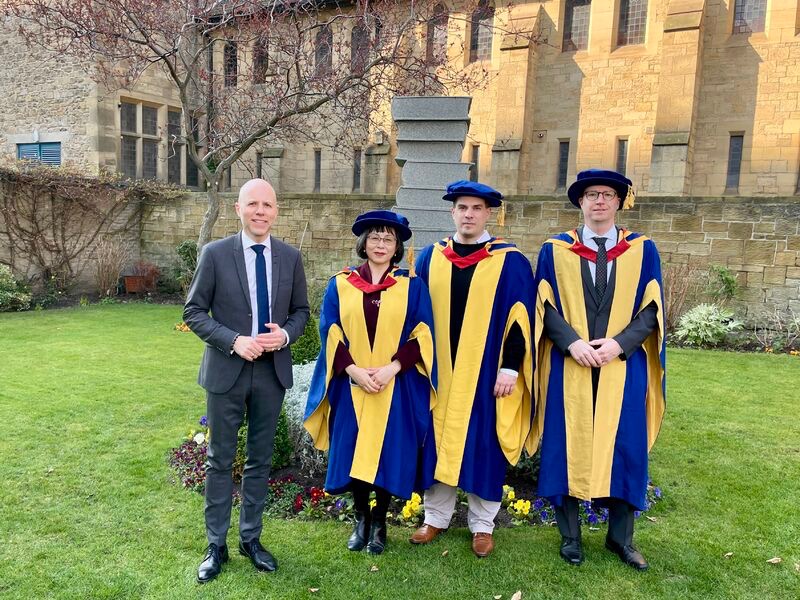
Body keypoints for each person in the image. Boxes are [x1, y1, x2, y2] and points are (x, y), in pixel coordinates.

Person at [529, 169, 666, 570]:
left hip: (623, 366)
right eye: (591, 195)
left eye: (607, 194)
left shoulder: (643, 250)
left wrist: (618, 345)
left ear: (619, 201)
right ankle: (570, 538)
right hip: (568, 363)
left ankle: (620, 539)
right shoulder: (555, 250)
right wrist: (571, 342)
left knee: (626, 448)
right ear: (581, 202)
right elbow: (544, 306)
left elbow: (652, 309)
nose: (599, 201)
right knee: (565, 443)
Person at [183, 178, 309, 583]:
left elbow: (302, 312)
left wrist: (285, 335)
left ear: (276, 210)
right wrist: (233, 341)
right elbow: (194, 312)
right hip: (226, 371)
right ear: (238, 209)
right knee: (220, 460)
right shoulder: (216, 254)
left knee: (260, 461)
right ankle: (215, 544)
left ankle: (250, 539)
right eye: (252, 204)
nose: (260, 211)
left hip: (271, 373)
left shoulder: (290, 257)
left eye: (267, 204)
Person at [411, 180, 535, 558]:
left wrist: (511, 368)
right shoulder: (430, 257)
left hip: (484, 373)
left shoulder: (509, 260)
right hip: (440, 372)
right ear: (452, 212)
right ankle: (436, 517)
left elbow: (520, 318)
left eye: (476, 208)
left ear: (488, 213)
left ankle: (482, 525)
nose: (469, 214)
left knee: (484, 445)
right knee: (436, 442)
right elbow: (413, 314)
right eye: (462, 207)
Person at [304, 210, 436, 555]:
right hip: (353, 386)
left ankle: (380, 522)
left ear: (397, 248)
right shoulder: (342, 284)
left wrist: (393, 367)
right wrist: (354, 371)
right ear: (364, 244)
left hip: (396, 386)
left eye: (388, 239)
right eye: (375, 238)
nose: (381, 244)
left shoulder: (412, 285)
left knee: (389, 454)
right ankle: (361, 517)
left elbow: (422, 333)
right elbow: (330, 331)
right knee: (353, 452)